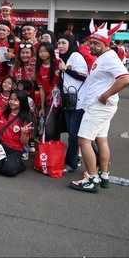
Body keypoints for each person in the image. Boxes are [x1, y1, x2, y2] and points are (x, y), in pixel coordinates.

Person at [69, 21, 129, 193]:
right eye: (91, 42)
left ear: (106, 44)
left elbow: (125, 79)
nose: (92, 46)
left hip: (98, 106)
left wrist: (105, 95)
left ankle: (92, 179)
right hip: (101, 106)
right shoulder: (103, 57)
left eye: (96, 43)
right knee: (101, 140)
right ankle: (103, 175)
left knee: (84, 140)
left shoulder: (109, 57)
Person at [57, 34, 88, 172]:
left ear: (70, 43)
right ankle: (94, 159)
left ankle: (71, 163)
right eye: (58, 43)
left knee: (74, 136)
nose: (60, 45)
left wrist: (65, 69)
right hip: (69, 102)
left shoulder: (76, 55)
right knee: (73, 134)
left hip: (79, 103)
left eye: (63, 43)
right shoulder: (65, 58)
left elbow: (83, 76)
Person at [0, 89, 32, 177]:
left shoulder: (25, 119)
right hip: (0, 145)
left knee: (8, 171)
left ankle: (19, 165)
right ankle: (4, 160)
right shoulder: (2, 112)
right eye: (11, 99)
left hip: (15, 149)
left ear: (21, 102)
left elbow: (25, 143)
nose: (12, 102)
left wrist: (23, 134)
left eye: (15, 100)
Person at [36, 42, 62, 141]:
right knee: (48, 128)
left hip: (61, 100)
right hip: (49, 102)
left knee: (59, 127)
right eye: (40, 52)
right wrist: (42, 107)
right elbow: (41, 89)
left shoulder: (58, 63)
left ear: (51, 52)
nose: (42, 54)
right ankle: (47, 148)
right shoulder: (39, 68)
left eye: (45, 51)